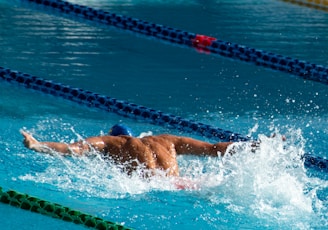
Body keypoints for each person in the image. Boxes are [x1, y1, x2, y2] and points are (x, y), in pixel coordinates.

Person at [21, 124, 234, 177]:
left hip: (154, 189)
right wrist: (256, 146)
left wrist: (37, 144)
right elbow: (214, 149)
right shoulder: (167, 140)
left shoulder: (111, 142)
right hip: (185, 186)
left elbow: (73, 149)